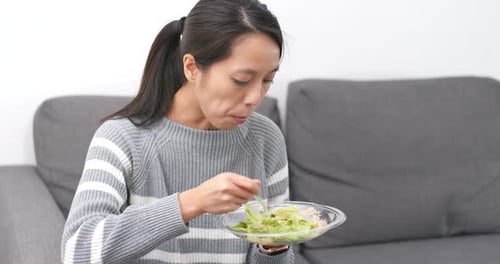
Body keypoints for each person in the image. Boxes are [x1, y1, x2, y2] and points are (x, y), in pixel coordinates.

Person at [61, 0, 292, 263]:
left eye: (267, 80)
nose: (255, 97)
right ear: (192, 67)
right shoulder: (121, 139)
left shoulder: (266, 139)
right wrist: (189, 203)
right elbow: (77, 252)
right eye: (241, 80)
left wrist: (274, 245)